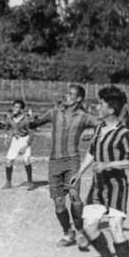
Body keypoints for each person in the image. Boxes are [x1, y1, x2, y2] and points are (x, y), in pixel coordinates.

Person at [70, 86, 129, 257]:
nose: (97, 106)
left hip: (116, 187)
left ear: (111, 109)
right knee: (89, 226)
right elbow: (92, 152)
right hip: (98, 187)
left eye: (101, 103)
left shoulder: (124, 134)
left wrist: (108, 165)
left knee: (115, 227)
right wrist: (80, 172)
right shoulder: (100, 128)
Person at [30, 84, 101, 248]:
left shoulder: (84, 117)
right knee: (59, 202)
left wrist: (92, 133)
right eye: (66, 93)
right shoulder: (54, 112)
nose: (65, 96)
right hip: (54, 161)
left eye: (70, 94)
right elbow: (37, 122)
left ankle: (81, 231)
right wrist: (30, 122)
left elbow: (102, 124)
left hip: (72, 161)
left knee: (75, 197)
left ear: (78, 99)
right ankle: (68, 232)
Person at [2, 99, 34, 190]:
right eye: (14, 107)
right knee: (8, 161)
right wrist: (6, 138)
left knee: (26, 160)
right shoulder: (10, 118)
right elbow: (6, 128)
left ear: (21, 109)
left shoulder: (26, 120)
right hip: (14, 141)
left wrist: (26, 146)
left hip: (25, 140)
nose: (15, 109)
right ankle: (8, 182)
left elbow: (32, 134)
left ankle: (30, 182)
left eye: (17, 107)